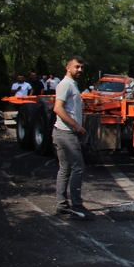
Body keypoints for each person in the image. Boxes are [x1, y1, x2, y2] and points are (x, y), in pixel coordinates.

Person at [52, 56, 95, 220]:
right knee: (78, 167)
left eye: (81, 67)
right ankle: (76, 206)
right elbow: (58, 108)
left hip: (64, 132)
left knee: (65, 169)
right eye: (76, 67)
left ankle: (62, 205)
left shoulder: (72, 85)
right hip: (66, 133)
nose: (80, 70)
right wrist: (77, 126)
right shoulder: (65, 85)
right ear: (68, 67)